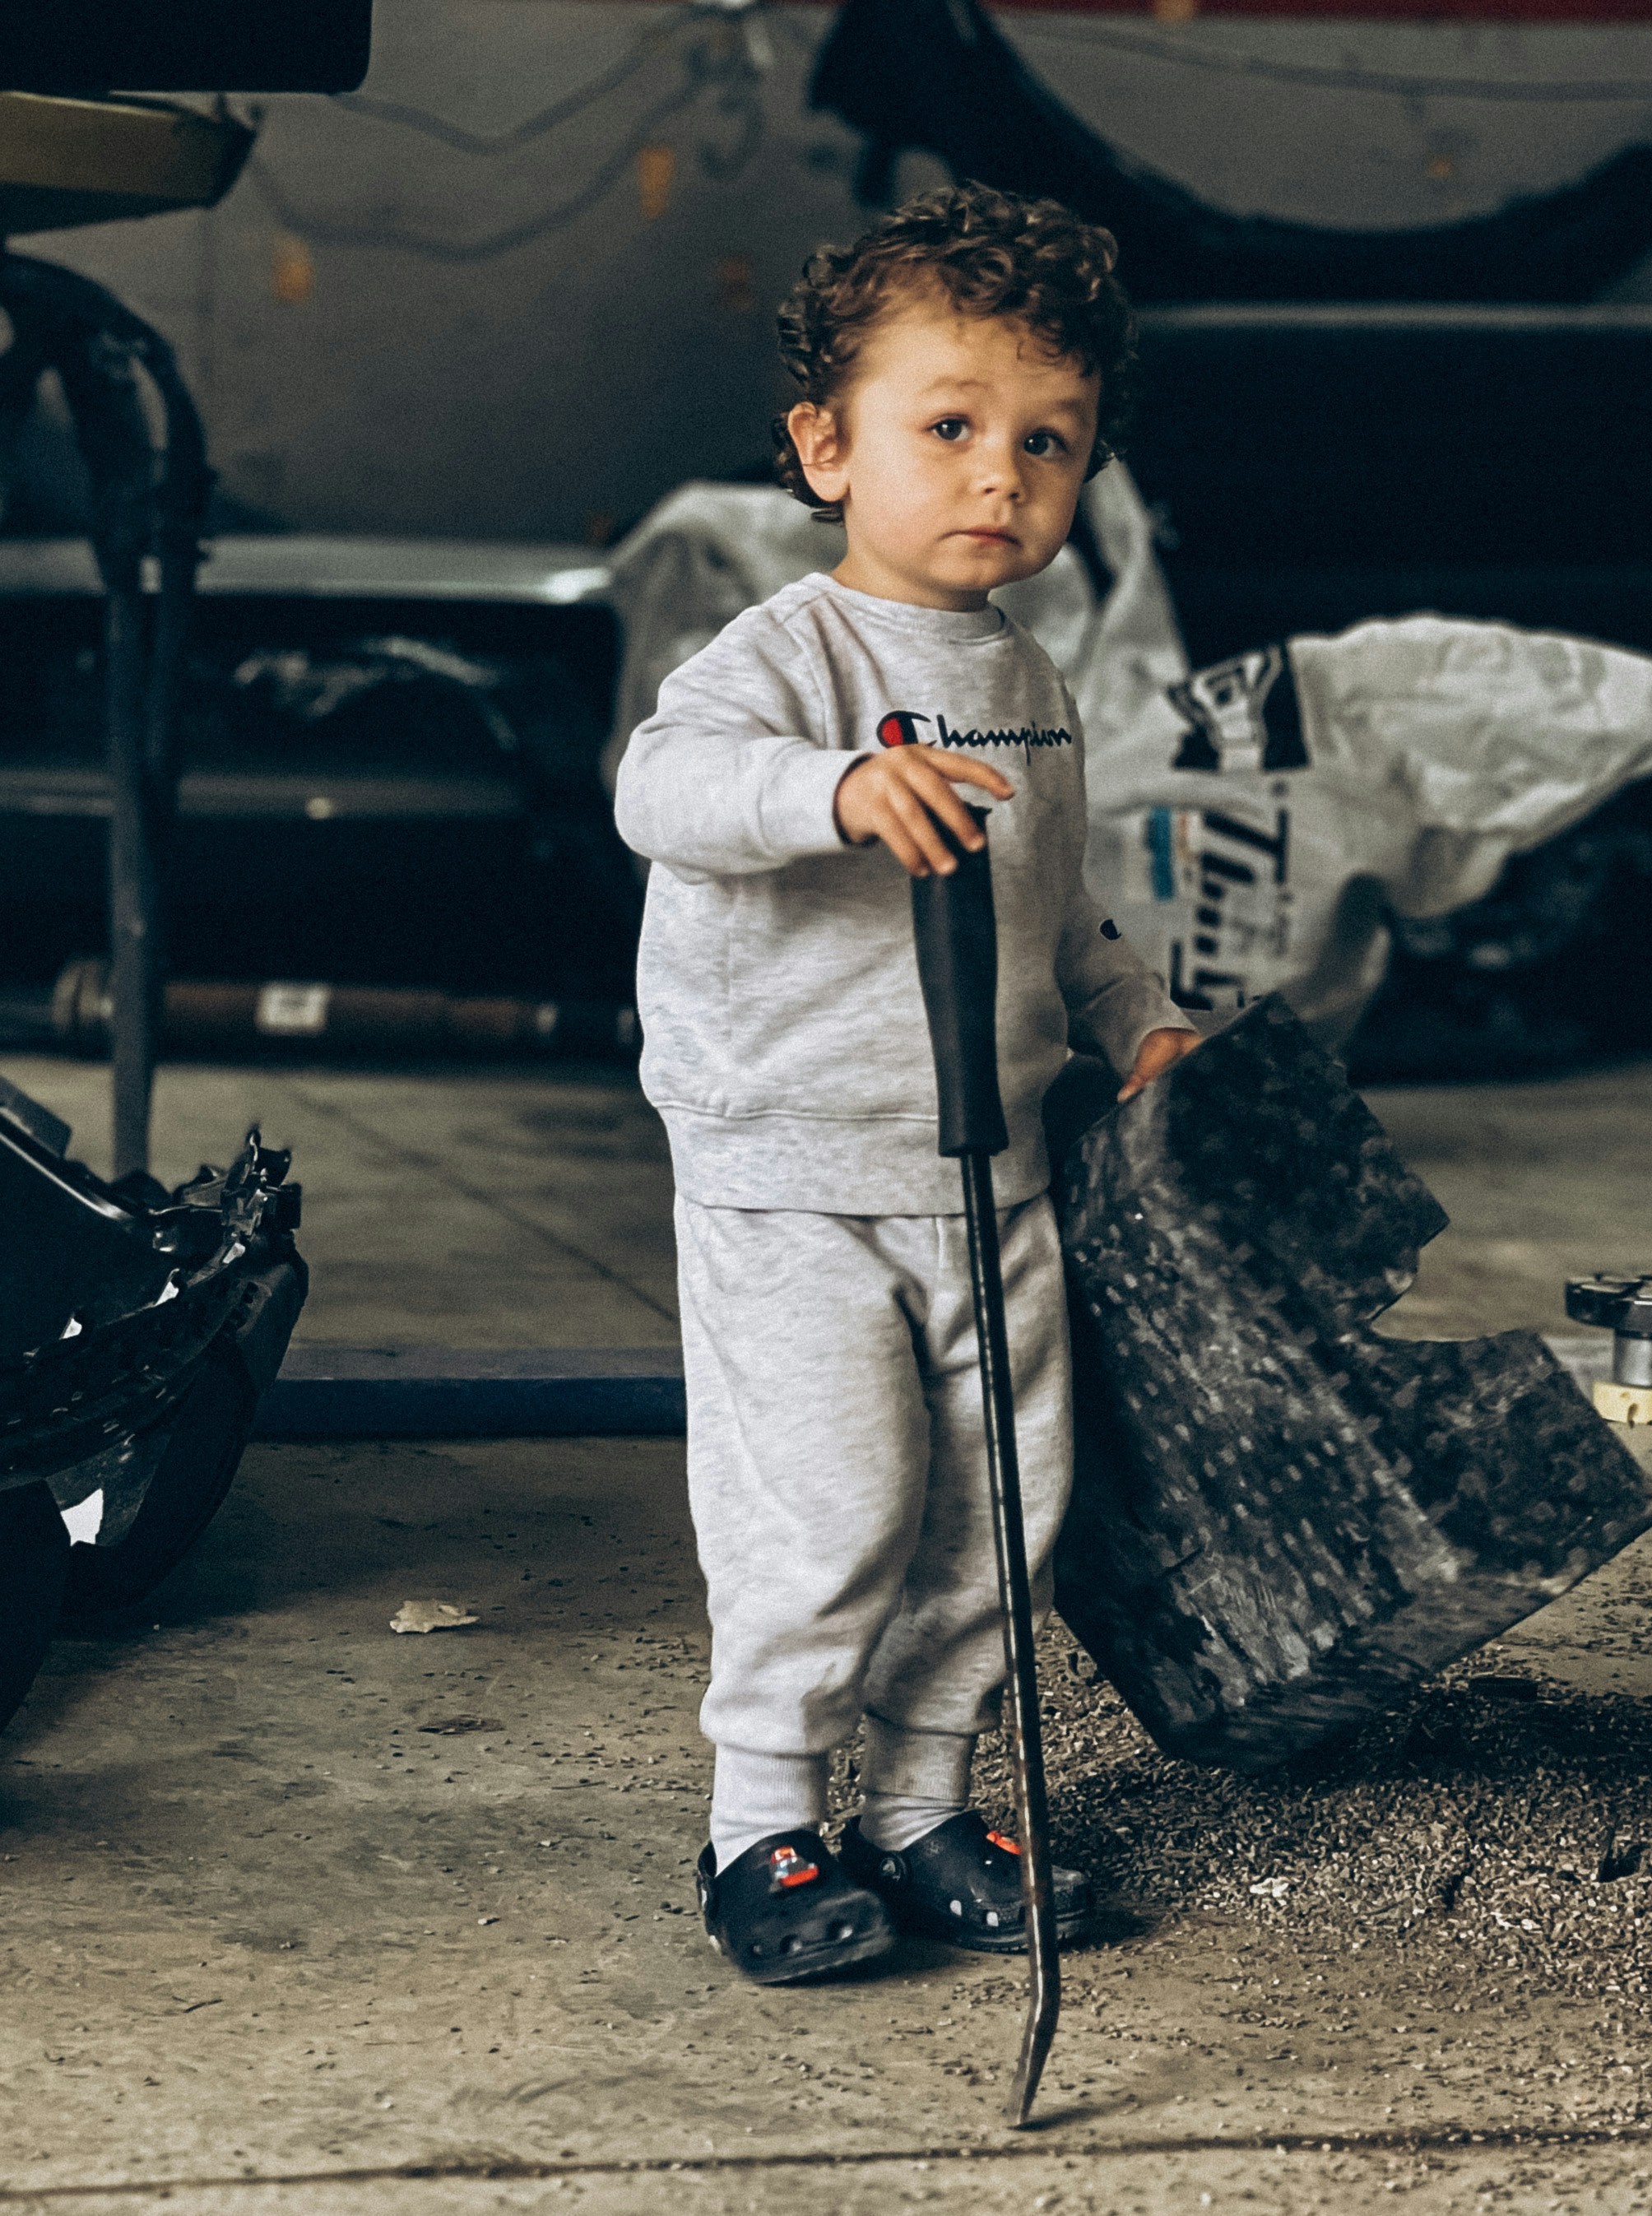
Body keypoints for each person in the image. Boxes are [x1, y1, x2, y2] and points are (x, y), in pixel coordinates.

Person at [613, 182, 1199, 1986]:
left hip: (987, 1166)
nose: (997, 478)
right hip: (795, 1171)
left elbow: (1057, 905)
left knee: (998, 1503)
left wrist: (1133, 1015)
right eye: (945, 428)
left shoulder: (1032, 680)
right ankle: (763, 1825)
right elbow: (666, 789)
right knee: (833, 1504)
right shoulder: (786, 659)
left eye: (1047, 441)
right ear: (824, 447)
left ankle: (925, 1805)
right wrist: (834, 795)